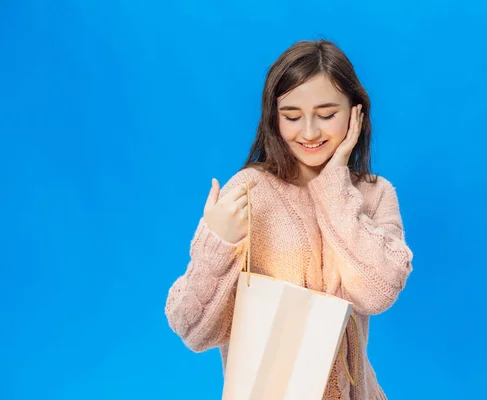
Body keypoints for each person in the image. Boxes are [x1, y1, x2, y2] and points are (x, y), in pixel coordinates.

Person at [165, 39, 414, 399]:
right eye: (292, 117)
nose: (309, 132)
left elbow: (377, 292)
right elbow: (193, 331)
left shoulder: (375, 194)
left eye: (327, 115)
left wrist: (334, 182)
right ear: (273, 117)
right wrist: (218, 244)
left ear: (355, 113)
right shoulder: (250, 191)